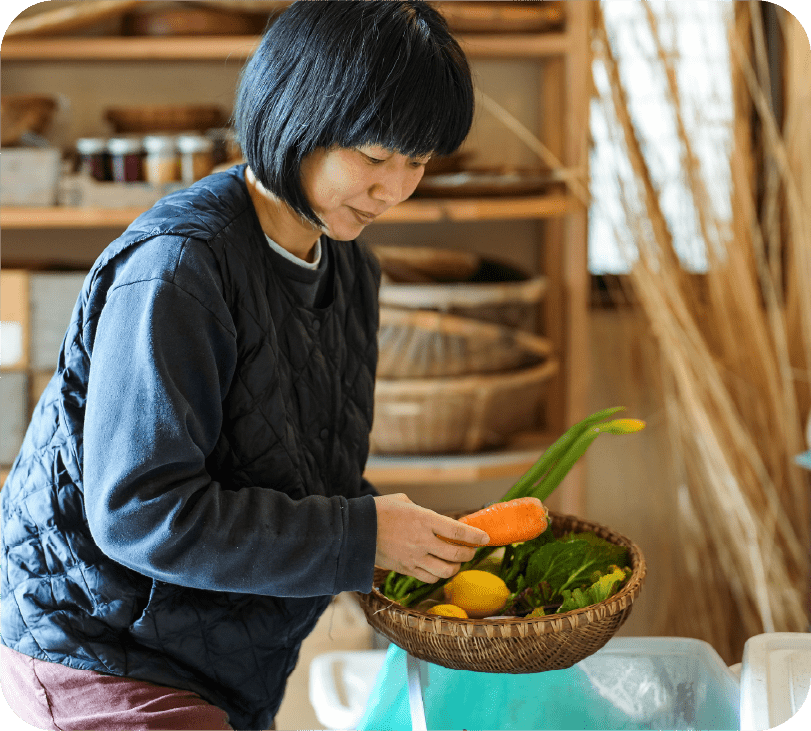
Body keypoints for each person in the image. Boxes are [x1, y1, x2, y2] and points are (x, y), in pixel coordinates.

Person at [0, 2, 489, 729]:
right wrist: (358, 538)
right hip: (104, 655)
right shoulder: (179, 266)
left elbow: (297, 468)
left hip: (221, 662)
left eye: (417, 162)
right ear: (298, 115)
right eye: (376, 156)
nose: (395, 189)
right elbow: (142, 512)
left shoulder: (349, 267)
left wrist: (394, 547)